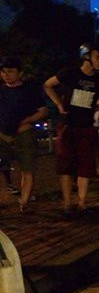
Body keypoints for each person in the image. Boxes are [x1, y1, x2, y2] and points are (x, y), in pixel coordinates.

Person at [43, 43, 99, 216]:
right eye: (97, 57)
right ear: (86, 57)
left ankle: (81, 203)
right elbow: (48, 85)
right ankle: (67, 203)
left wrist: (97, 106)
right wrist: (58, 104)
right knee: (65, 164)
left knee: (85, 166)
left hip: (86, 126)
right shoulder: (70, 73)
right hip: (68, 125)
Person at [0, 56, 48, 212]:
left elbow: (43, 111)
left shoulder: (29, 90)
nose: (6, 74)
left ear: (20, 73)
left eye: (10, 71)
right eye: (3, 71)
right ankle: (4, 195)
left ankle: (25, 201)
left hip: (24, 134)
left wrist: (26, 121)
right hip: (2, 134)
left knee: (27, 168)